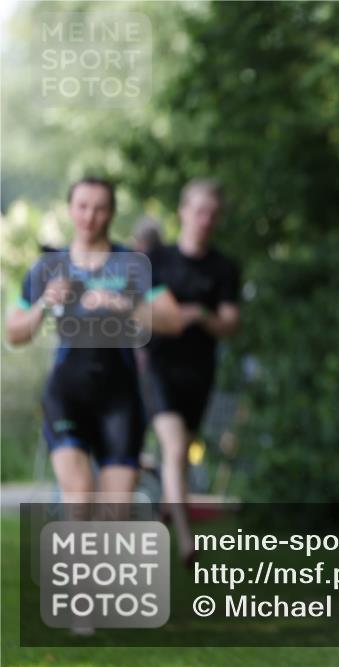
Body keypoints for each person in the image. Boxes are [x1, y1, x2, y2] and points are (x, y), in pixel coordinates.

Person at [5, 177, 187, 514]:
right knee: (80, 502)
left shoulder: (132, 264)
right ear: (71, 210)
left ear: (112, 213)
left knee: (115, 517)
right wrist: (44, 303)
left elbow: (173, 321)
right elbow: (13, 333)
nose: (90, 216)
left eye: (100, 209)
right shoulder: (48, 267)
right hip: (67, 393)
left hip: (120, 397)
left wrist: (123, 303)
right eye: (83, 207)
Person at [143, 179, 241, 565]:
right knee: (174, 446)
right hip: (158, 366)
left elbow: (230, 324)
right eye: (199, 211)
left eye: (213, 214)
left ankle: (166, 507)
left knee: (179, 456)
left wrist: (196, 314)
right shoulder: (156, 259)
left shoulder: (224, 267)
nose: (205, 220)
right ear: (183, 212)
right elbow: (147, 314)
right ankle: (187, 542)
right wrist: (186, 316)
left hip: (199, 371)